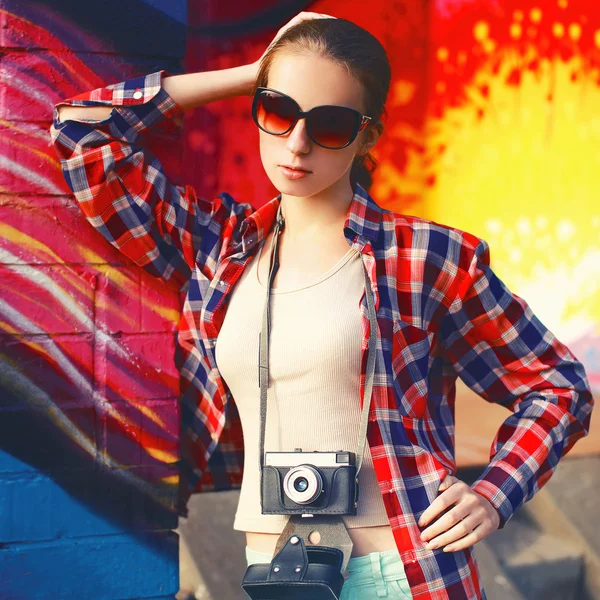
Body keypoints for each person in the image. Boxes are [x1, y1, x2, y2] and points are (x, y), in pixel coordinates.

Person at [50, 12, 594, 600]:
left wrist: (494, 492)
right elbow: (84, 132)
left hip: (396, 573)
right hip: (275, 575)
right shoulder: (218, 249)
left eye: (330, 124)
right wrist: (250, 75)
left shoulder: (421, 257)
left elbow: (559, 387)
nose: (298, 143)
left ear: (368, 135)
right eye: (278, 112)